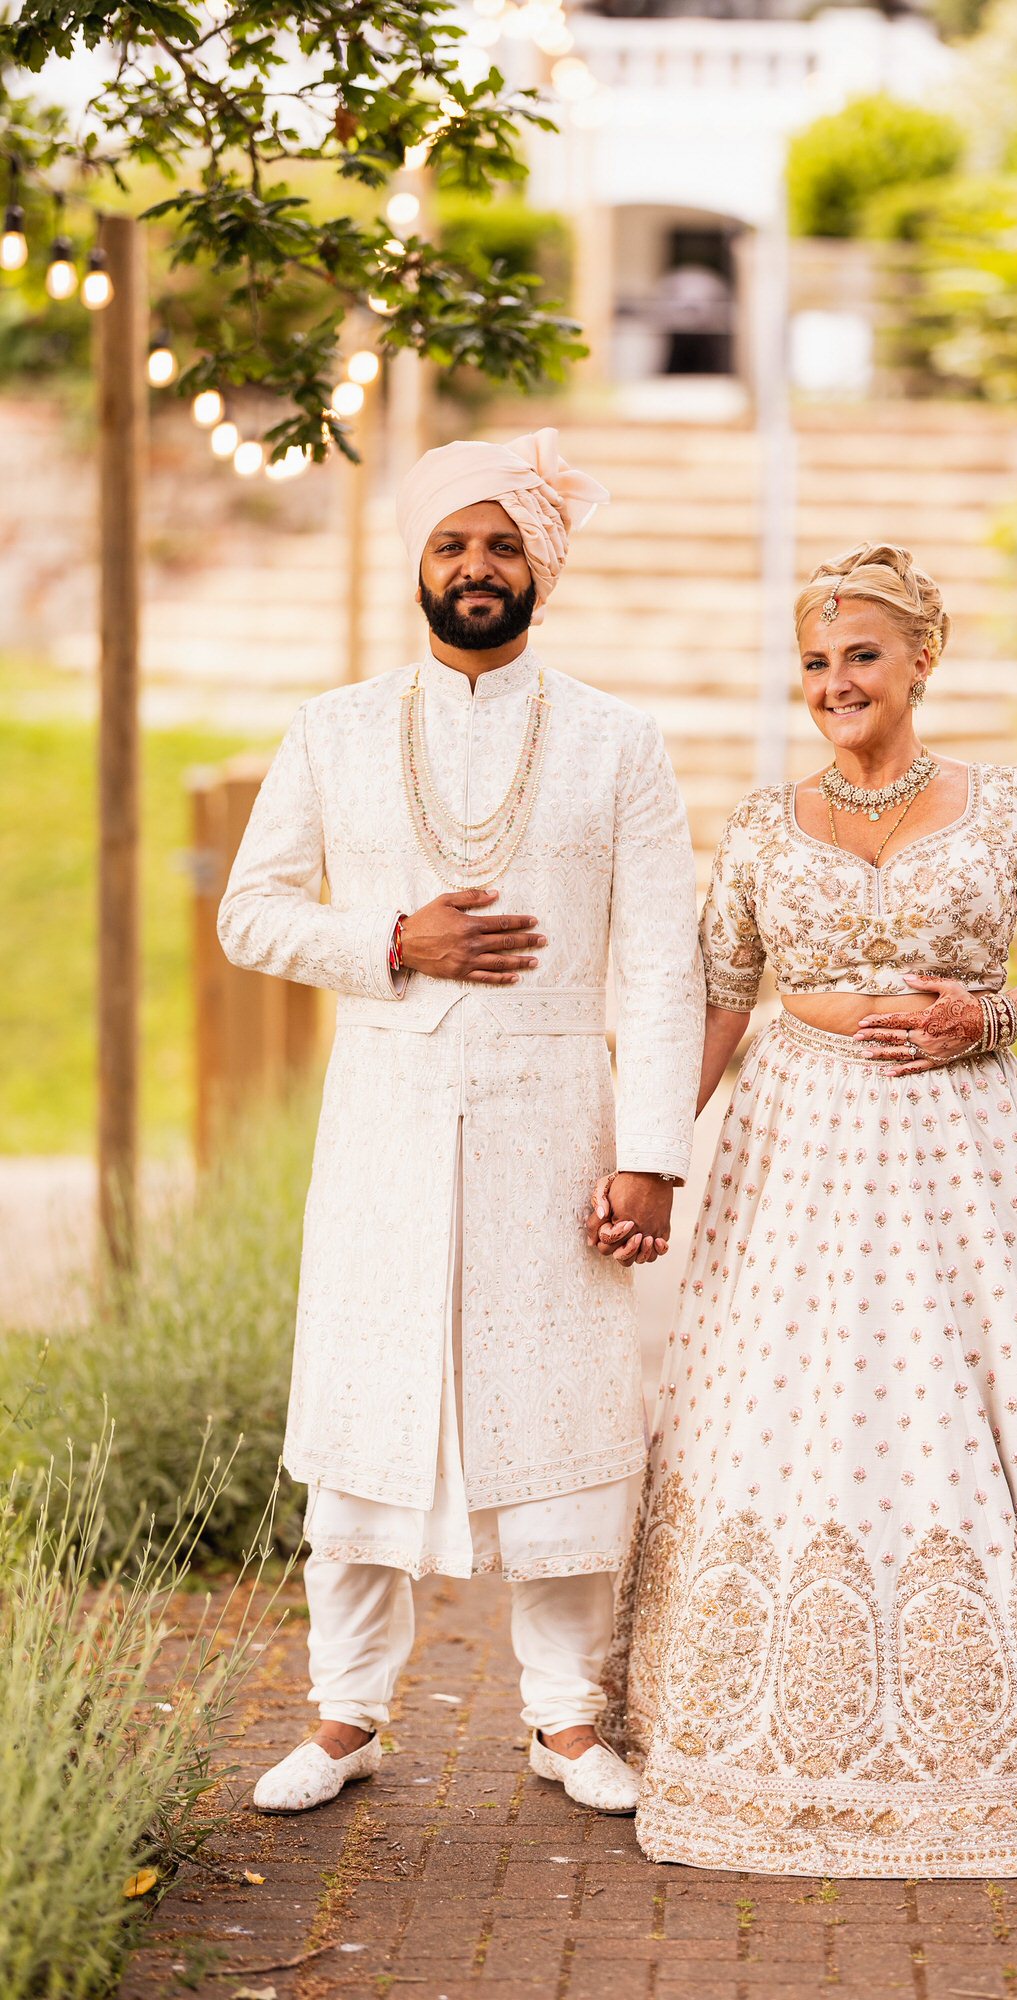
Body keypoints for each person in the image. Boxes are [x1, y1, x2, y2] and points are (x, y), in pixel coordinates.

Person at [599, 543, 1017, 1878]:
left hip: (963, 1139)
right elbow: (721, 1000)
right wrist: (650, 1155)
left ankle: (1002, 1727)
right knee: (790, 1403)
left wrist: (994, 1015)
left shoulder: (1003, 806)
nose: (835, 682)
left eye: (861, 656)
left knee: (964, 1400)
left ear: (922, 661)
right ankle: (766, 1720)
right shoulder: (763, 822)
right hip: (798, 1141)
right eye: (816, 662)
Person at [217, 428, 704, 1817]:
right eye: (452, 544)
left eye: (500, 545)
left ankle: (567, 1720)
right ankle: (344, 1716)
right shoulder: (333, 729)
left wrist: (651, 1158)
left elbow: (660, 967)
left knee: (561, 1417)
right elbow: (250, 914)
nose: (475, 566)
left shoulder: (618, 740)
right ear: (419, 565)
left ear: (538, 569)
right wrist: (392, 939)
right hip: (382, 1124)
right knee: (364, 1417)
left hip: (556, 1127)